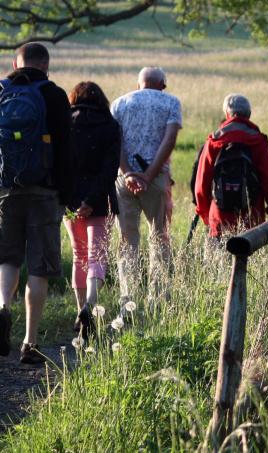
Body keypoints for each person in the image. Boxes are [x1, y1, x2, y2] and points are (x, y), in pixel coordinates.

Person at [0, 43, 72, 364]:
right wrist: (65, 193)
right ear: (46, 65)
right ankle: (30, 342)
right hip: (45, 191)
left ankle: (3, 307)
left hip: (5, 188)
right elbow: (66, 148)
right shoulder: (54, 94)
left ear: (15, 63)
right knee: (39, 267)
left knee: (7, 258)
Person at [111, 67, 182, 312]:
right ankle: (157, 300)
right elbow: (170, 140)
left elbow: (114, 142)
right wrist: (149, 176)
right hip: (156, 179)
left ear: (139, 83)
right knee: (159, 237)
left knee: (127, 241)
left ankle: (127, 300)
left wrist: (128, 173)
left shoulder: (119, 103)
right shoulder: (171, 102)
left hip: (123, 180)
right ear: (163, 84)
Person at [64, 81, 121, 339]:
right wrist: (92, 199)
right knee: (97, 256)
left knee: (79, 255)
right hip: (100, 201)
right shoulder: (110, 126)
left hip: (70, 201)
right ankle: (89, 305)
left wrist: (75, 201)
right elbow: (110, 171)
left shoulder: (65, 123)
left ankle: (80, 310)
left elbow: (60, 166)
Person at [194, 94, 268, 238]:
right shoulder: (258, 141)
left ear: (227, 114)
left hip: (220, 220)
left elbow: (201, 184)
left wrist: (206, 216)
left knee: (218, 260)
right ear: (249, 115)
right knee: (252, 260)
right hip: (252, 221)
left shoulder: (214, 141)